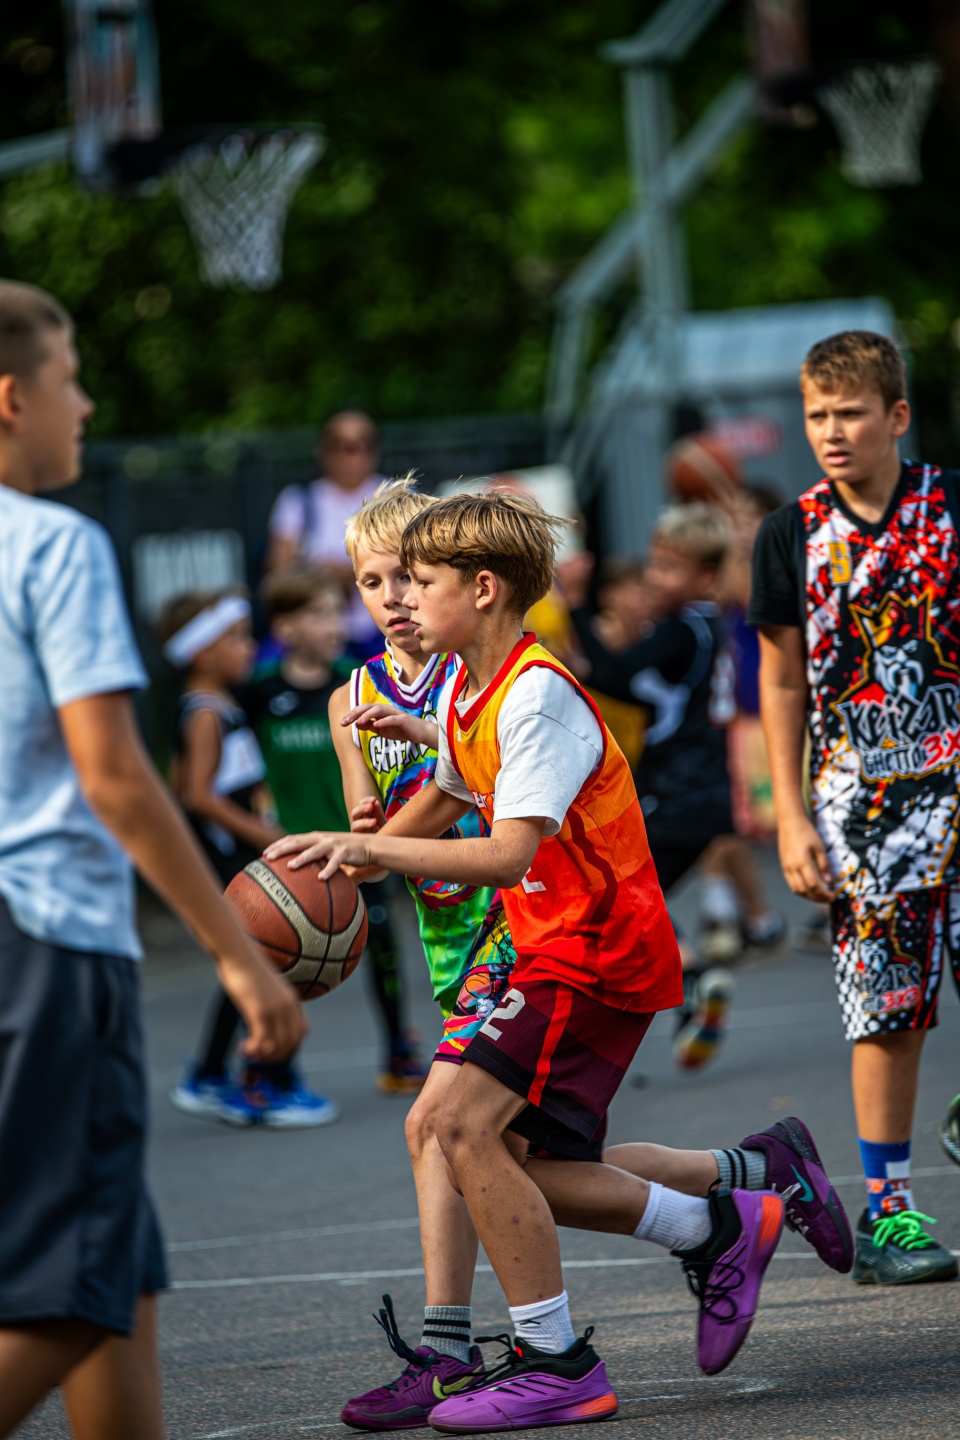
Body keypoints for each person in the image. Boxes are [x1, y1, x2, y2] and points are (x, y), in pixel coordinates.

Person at [267, 490, 810, 1433]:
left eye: (419, 581)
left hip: (591, 949)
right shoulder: (471, 694)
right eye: (387, 581)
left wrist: (370, 848)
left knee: (457, 1127)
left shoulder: (536, 694)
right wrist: (347, 862)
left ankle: (554, 1361)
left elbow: (507, 851)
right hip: (556, 946)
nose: (401, 599)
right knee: (503, 1157)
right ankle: (720, 1218)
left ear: (481, 590)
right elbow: (442, 798)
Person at [0, 281, 302, 1439]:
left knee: (118, 1277)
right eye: (71, 381)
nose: (84, 406)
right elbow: (118, 778)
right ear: (13, 398)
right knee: (72, 1292)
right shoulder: (51, 545)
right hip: (48, 942)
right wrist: (240, 960)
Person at [750, 328, 960, 1286]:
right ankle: (889, 1214)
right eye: (816, 415)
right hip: (863, 813)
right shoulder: (789, 533)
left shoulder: (949, 507)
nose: (831, 432)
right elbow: (781, 681)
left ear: (897, 415)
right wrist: (789, 815)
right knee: (887, 1015)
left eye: (850, 413)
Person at [570, 503, 739, 1070]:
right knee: (639, 896)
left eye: (670, 568)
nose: (655, 578)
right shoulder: (711, 628)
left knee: (613, 891)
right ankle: (690, 993)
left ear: (706, 576)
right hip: (708, 795)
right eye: (654, 565)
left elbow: (615, 672)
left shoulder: (680, 629)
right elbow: (648, 695)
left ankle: (688, 976)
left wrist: (576, 604)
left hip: (674, 792)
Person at [249, 565, 422, 1094]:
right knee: (273, 951)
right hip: (292, 853)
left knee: (382, 946)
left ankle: (398, 1051)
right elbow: (244, 772)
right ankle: (267, 1065)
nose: (335, 625)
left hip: (357, 845)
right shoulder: (258, 693)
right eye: (320, 615)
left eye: (336, 613)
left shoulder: (356, 683)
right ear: (285, 627)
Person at [162, 588, 331, 1128]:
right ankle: (262, 1080)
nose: (249, 647)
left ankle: (221, 1074)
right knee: (266, 961)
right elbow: (196, 794)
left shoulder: (222, 707)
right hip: (229, 864)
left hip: (238, 860)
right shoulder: (206, 713)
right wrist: (266, 834)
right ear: (201, 651)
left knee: (255, 966)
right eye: (235, 638)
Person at [265, 408, 384, 657]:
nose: (351, 455)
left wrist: (345, 572)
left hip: (383, 630)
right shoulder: (299, 500)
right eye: (340, 445)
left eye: (362, 445)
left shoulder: (394, 495)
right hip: (314, 638)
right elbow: (278, 575)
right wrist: (324, 576)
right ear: (323, 450)